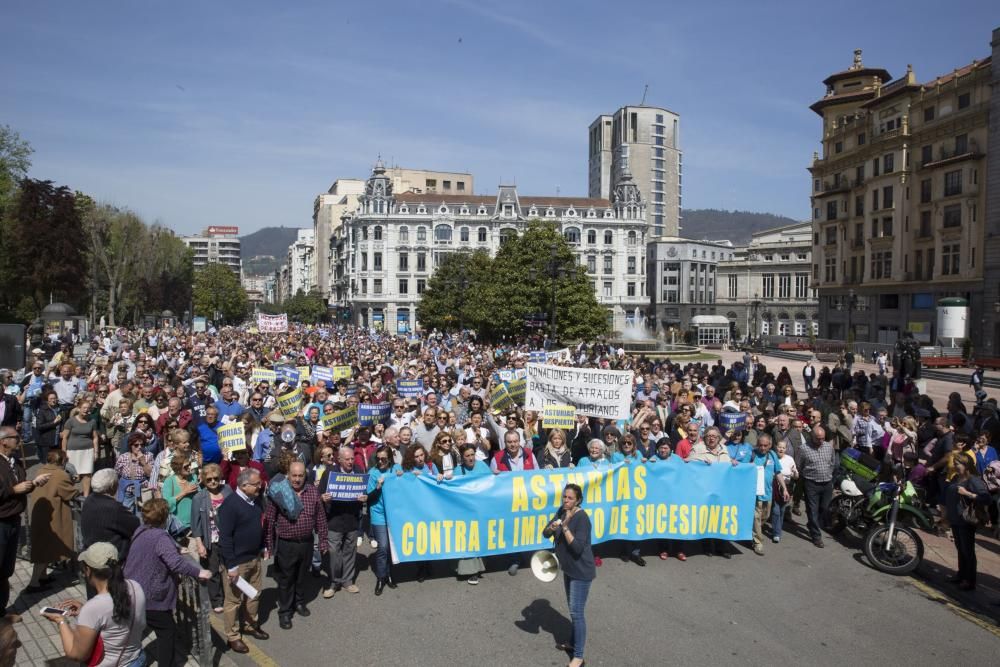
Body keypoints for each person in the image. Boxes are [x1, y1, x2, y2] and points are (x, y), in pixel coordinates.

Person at [124, 499, 212, 667]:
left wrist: (176, 548)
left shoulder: (141, 530)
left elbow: (163, 545)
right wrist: (198, 571)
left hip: (133, 590)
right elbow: (175, 563)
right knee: (166, 632)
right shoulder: (160, 537)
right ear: (165, 518)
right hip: (151, 596)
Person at [42, 542, 147, 667]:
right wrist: (86, 613)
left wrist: (61, 621)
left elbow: (76, 654)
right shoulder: (135, 586)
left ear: (88, 570)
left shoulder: (93, 608)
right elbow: (116, 618)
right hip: (137, 660)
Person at [265, 461, 328, 629]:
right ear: (288, 475)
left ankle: (299, 602)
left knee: (301, 577)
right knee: (286, 579)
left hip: (306, 543)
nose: (297, 479)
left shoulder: (312, 491)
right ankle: (285, 612)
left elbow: (320, 518)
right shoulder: (279, 492)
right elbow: (270, 520)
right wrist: (269, 545)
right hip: (287, 544)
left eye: (301, 476)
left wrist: (323, 540)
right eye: (294, 475)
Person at [217, 467, 269, 654]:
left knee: (254, 594)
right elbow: (225, 538)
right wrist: (231, 565)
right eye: (256, 484)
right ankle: (233, 636)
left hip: (253, 558)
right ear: (244, 485)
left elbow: (259, 525)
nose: (260, 486)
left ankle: (250, 624)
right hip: (236, 563)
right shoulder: (230, 505)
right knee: (233, 601)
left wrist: (262, 546)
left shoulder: (255, 501)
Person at [0, 426, 51, 613]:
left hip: (14, 519)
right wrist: (14, 490)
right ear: (4, 441)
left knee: (6, 570)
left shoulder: (15, 461)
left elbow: (21, 485)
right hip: (1, 522)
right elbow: (13, 488)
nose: (19, 441)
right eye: (15, 438)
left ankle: (3, 613)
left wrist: (34, 483)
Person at [543, 483, 594, 667]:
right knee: (573, 611)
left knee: (577, 613)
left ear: (578, 500)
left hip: (581, 571)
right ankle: (572, 644)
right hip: (568, 568)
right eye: (564, 497)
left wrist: (564, 527)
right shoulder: (561, 510)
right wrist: (552, 527)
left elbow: (577, 547)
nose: (566, 500)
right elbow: (545, 532)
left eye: (570, 498)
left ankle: (578, 657)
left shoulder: (582, 518)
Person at [26, 450, 78, 591]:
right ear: (62, 460)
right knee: (45, 549)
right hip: (53, 516)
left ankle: (42, 577)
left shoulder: (40, 470)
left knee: (44, 547)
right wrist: (74, 481)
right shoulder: (60, 474)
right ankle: (34, 583)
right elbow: (70, 493)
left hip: (40, 514)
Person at [320, 447, 364, 597]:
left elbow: (364, 492)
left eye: (352, 459)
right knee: (334, 552)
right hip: (334, 519)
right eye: (347, 459)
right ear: (339, 460)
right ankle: (334, 582)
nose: (351, 462)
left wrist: (364, 498)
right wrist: (323, 498)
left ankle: (348, 581)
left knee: (350, 551)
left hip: (352, 519)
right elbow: (320, 493)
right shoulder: (330, 472)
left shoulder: (358, 471)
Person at [944, 455, 991, 590]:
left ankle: (969, 581)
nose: (955, 465)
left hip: (965, 520)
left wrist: (967, 493)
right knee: (960, 549)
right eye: (954, 463)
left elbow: (986, 498)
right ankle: (961, 575)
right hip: (955, 518)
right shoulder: (955, 478)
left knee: (967, 551)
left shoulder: (973, 480)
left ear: (966, 465)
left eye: (958, 463)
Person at [190, 463, 232, 613]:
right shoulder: (199, 498)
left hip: (227, 539)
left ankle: (230, 596)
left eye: (215, 478)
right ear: (203, 480)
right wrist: (200, 545)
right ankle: (216, 600)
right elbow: (196, 525)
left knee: (230, 569)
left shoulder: (227, 491)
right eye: (209, 480)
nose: (213, 482)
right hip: (210, 540)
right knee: (213, 570)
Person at [80, 469, 140, 561]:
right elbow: (135, 525)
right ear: (112, 486)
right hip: (110, 557)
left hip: (90, 549)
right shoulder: (113, 508)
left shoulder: (89, 500)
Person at [795, 425, 836, 548]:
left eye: (823, 438)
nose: (821, 441)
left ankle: (812, 524)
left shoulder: (829, 447)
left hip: (827, 483)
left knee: (824, 509)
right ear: (812, 437)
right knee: (812, 510)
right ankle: (816, 536)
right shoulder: (803, 449)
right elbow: (799, 465)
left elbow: (833, 463)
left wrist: (828, 474)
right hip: (811, 483)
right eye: (818, 438)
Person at [366, 446, 398, 594]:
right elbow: (368, 498)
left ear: (390, 459)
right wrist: (378, 487)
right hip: (378, 514)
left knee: (392, 548)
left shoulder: (396, 469)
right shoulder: (372, 473)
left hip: (394, 514)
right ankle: (381, 577)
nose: (380, 462)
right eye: (378, 459)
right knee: (383, 547)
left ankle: (390, 575)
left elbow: (408, 485)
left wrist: (404, 476)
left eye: (383, 459)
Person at [61, 398, 99, 496]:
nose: (86, 410)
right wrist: (64, 452)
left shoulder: (92, 421)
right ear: (79, 408)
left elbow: (95, 437)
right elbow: (64, 437)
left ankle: (86, 497)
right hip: (72, 451)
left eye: (88, 408)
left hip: (88, 451)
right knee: (72, 475)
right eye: (84, 408)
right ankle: (71, 495)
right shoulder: (71, 421)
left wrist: (96, 452)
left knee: (87, 474)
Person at [114, 433, 153, 515]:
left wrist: (143, 462)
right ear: (130, 445)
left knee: (142, 517)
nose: (139, 447)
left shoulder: (148, 456)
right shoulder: (123, 457)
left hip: (142, 492)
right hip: (127, 492)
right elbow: (117, 473)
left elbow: (150, 474)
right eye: (136, 445)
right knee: (125, 516)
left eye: (142, 445)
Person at [161, 451, 199, 530]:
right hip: (179, 525)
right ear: (178, 469)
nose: (189, 468)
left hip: (196, 522)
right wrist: (184, 492)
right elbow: (166, 504)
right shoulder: (169, 481)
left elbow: (201, 497)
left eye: (189, 465)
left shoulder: (193, 477)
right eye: (186, 467)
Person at [770, 439, 797, 543]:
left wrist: (794, 472)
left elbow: (796, 476)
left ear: (786, 449)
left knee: (782, 510)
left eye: (783, 447)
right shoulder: (772, 458)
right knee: (776, 510)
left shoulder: (790, 459)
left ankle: (777, 529)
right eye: (779, 447)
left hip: (787, 487)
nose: (781, 449)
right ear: (776, 447)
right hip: (774, 486)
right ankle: (776, 533)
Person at [34, 389, 63, 465]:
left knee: (57, 462)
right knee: (47, 463)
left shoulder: (59, 409)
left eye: (54, 398)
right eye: (51, 399)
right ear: (47, 400)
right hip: (46, 441)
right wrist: (53, 423)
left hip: (57, 440)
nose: (53, 400)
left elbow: (63, 422)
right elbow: (39, 426)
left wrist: (62, 431)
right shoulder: (42, 411)